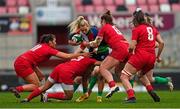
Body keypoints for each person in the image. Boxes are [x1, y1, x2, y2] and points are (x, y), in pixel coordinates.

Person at [9, 34, 90, 99]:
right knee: (36, 86)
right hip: (24, 63)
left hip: (24, 61)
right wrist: (82, 54)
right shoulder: (48, 49)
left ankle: (43, 96)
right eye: (54, 41)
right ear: (50, 42)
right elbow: (66, 56)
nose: (56, 43)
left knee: (41, 77)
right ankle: (17, 89)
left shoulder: (41, 45)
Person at [120, 8, 164, 103]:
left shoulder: (137, 29)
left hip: (141, 56)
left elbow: (132, 46)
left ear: (136, 20)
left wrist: (129, 51)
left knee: (124, 76)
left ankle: (131, 97)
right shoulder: (152, 28)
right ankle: (151, 91)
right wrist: (158, 56)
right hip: (151, 58)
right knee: (140, 74)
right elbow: (162, 43)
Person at [84, 10, 130, 98]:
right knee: (119, 72)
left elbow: (96, 43)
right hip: (126, 47)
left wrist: (87, 44)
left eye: (101, 22)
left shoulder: (104, 28)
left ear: (103, 21)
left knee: (103, 68)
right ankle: (131, 95)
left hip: (119, 49)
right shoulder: (114, 27)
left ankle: (113, 86)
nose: (100, 24)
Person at [20, 56, 101, 102]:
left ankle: (27, 99)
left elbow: (84, 81)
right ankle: (47, 95)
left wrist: (85, 93)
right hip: (67, 72)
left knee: (44, 87)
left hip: (59, 67)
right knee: (68, 97)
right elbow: (101, 63)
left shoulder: (82, 58)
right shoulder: (91, 61)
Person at [68, 16, 109, 102]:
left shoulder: (94, 31)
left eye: (85, 29)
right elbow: (78, 43)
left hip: (103, 53)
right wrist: (73, 55)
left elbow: (95, 43)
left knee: (99, 73)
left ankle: (99, 97)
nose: (83, 31)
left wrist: (82, 45)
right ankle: (72, 95)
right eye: (82, 30)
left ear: (88, 26)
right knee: (82, 76)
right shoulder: (81, 34)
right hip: (92, 54)